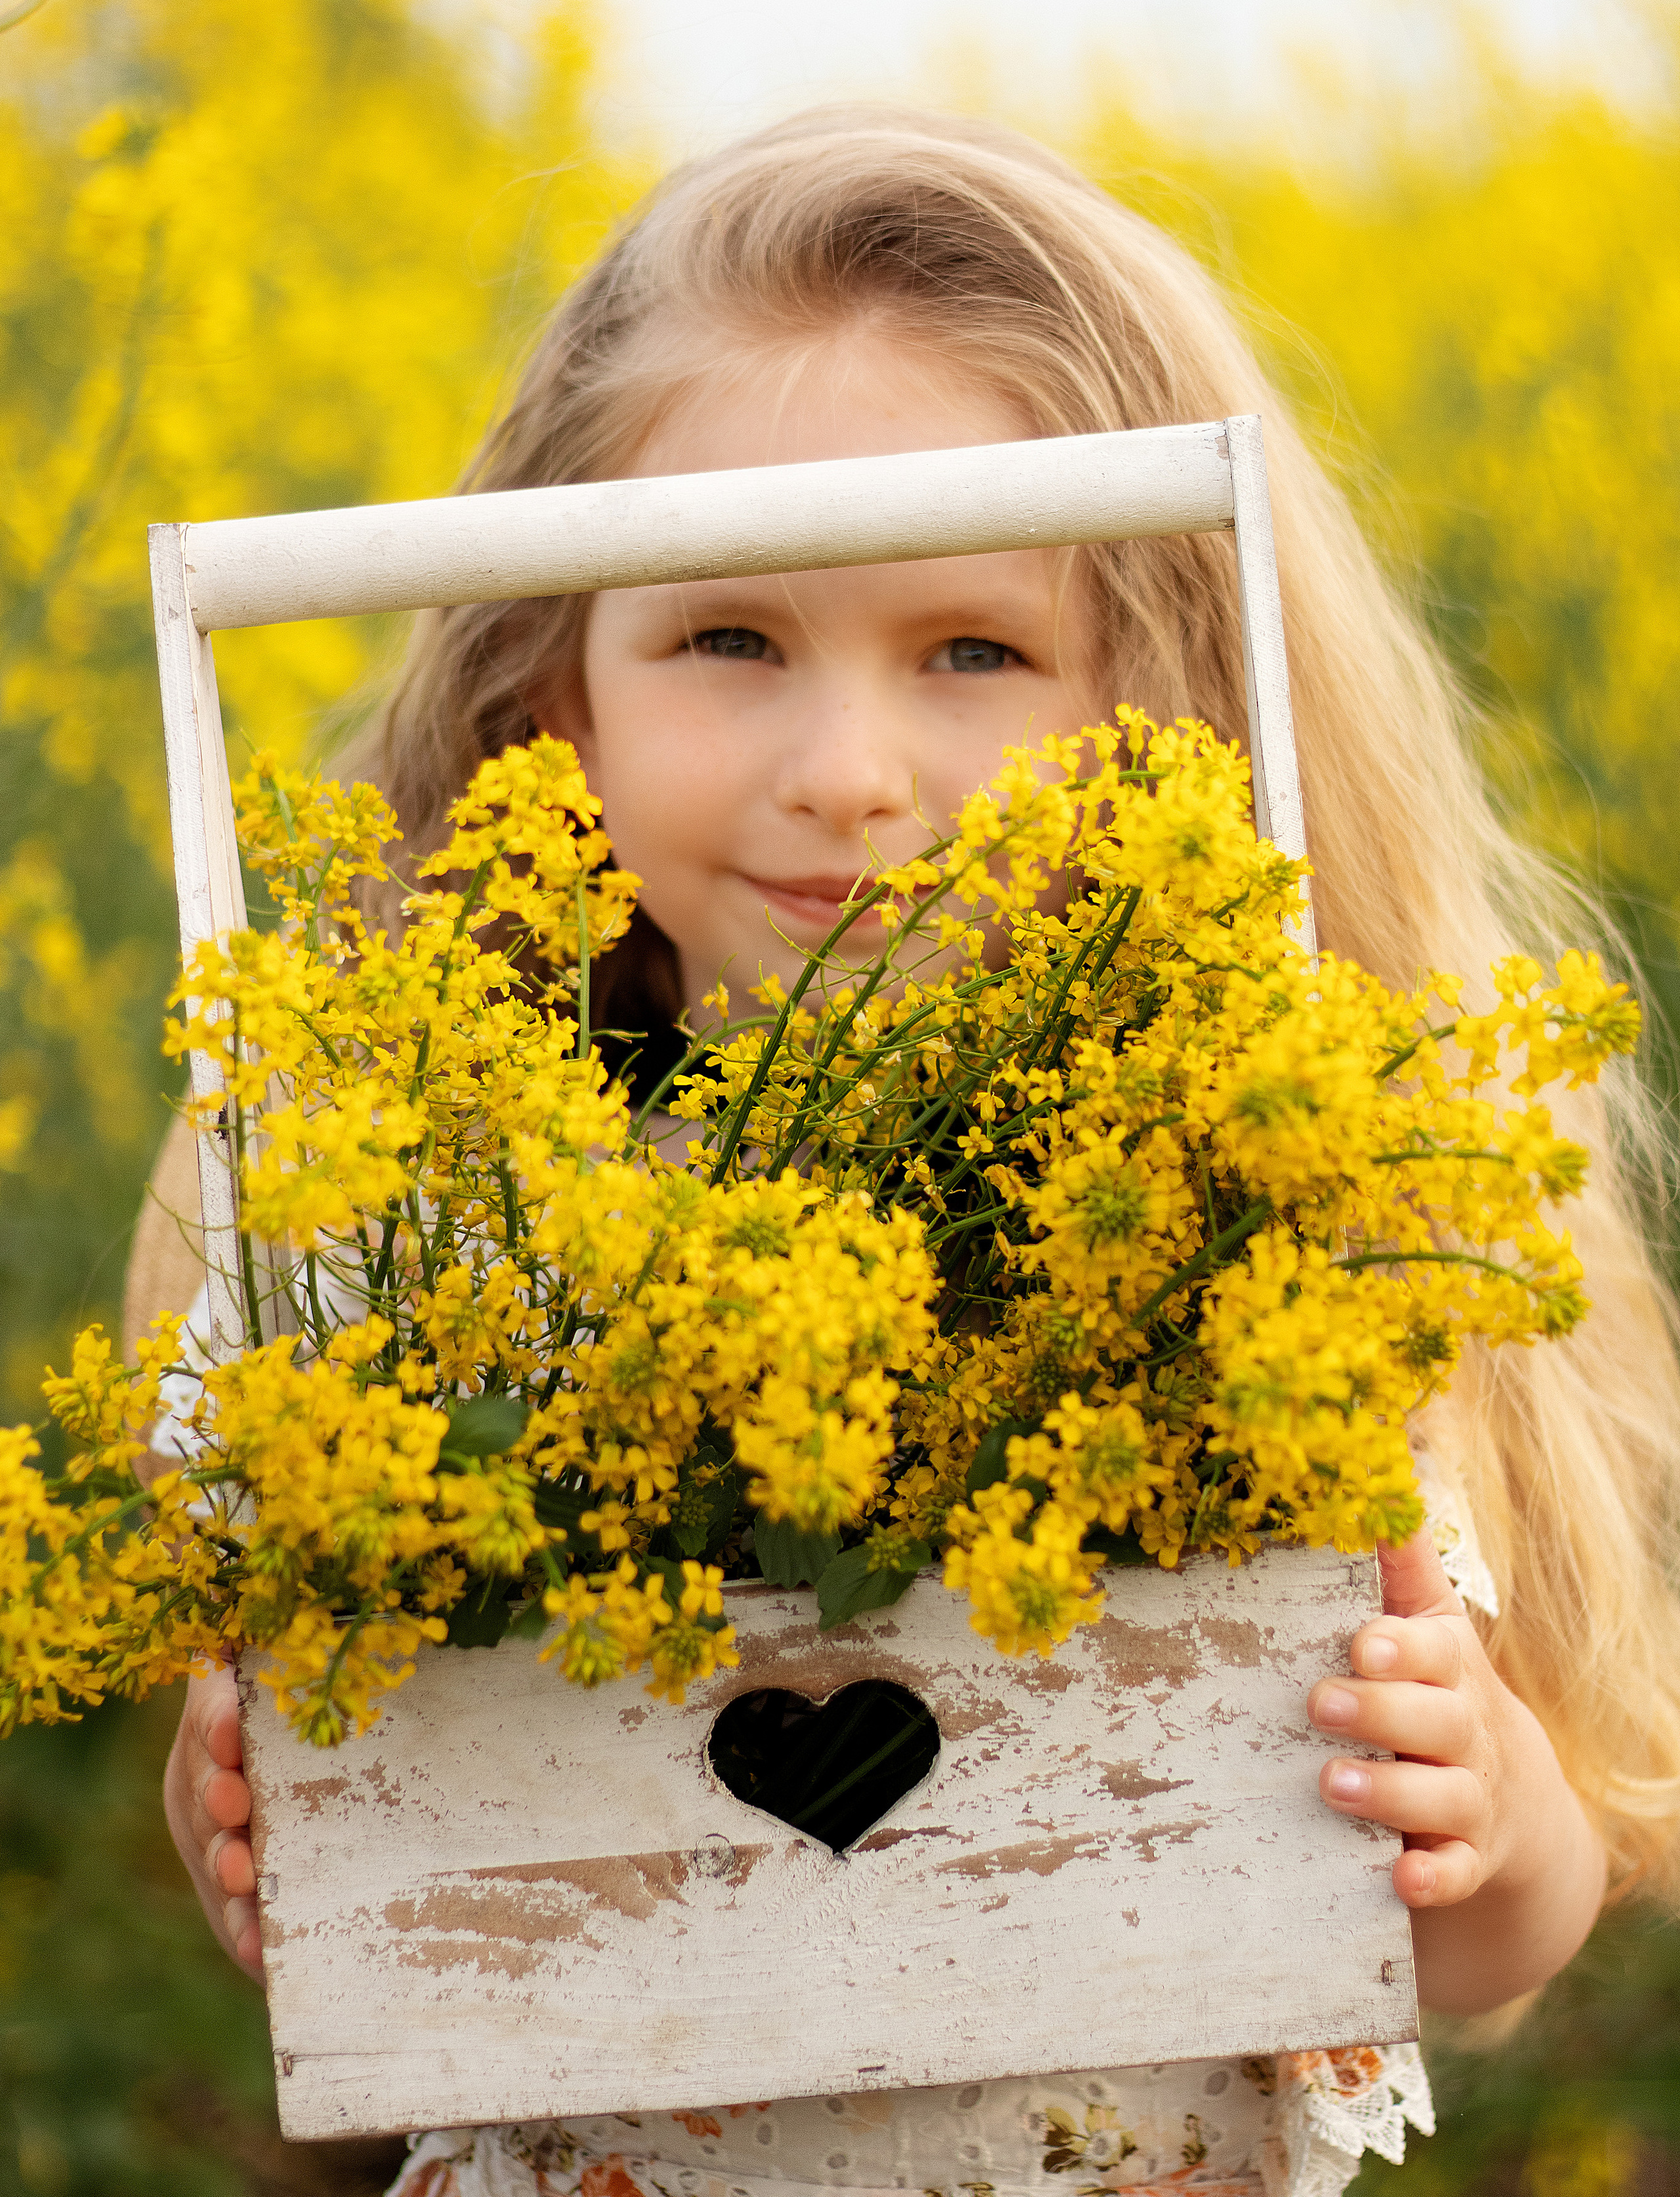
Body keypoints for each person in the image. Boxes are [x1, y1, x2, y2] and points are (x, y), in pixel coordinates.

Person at [134, 107, 1680, 2197]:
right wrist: (256, 1829)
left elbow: (1496, 1925)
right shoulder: (423, 1255)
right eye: (728, 639)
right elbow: (398, 1909)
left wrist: (1483, 1810)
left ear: (1170, 712)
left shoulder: (1264, 1239)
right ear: (552, 690)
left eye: (976, 653)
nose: (849, 776)